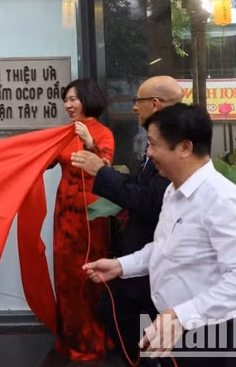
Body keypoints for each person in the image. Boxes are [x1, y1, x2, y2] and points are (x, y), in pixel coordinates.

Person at [84, 103, 236, 367]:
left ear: (185, 148)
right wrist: (121, 266)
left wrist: (182, 314)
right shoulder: (173, 192)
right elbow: (164, 247)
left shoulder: (223, 200)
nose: (149, 152)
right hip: (174, 328)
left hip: (209, 336)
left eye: (154, 144)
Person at [71, 75, 182, 365]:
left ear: (155, 104)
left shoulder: (174, 145)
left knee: (122, 313)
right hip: (141, 252)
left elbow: (149, 200)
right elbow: (138, 185)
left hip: (156, 253)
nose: (134, 108)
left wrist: (102, 171)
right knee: (114, 310)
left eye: (138, 101)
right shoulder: (157, 140)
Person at [52, 78, 114, 361]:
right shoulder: (63, 134)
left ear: (88, 99)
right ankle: (72, 335)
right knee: (65, 275)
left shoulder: (103, 133)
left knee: (88, 275)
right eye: (65, 100)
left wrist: (90, 144)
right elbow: (43, 158)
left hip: (90, 214)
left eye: (72, 99)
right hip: (64, 212)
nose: (67, 105)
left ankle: (92, 336)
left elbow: (106, 170)